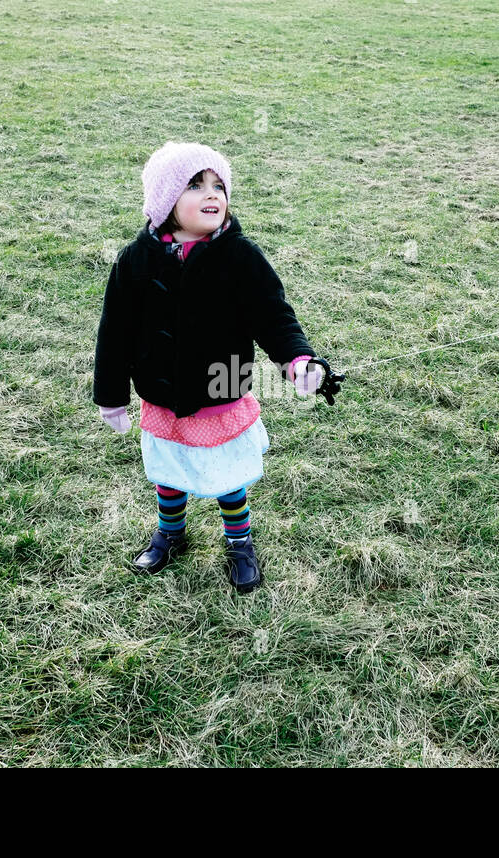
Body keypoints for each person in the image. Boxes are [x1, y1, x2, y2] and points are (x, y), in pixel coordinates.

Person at [93, 141, 325, 593]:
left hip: (223, 386)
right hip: (161, 392)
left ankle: (239, 543)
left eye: (218, 184)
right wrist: (111, 395)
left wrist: (297, 360)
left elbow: (274, 316)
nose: (211, 193)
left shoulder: (240, 257)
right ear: (165, 201)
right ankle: (170, 533)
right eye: (195, 185)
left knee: (227, 475)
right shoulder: (135, 261)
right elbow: (114, 331)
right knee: (170, 468)